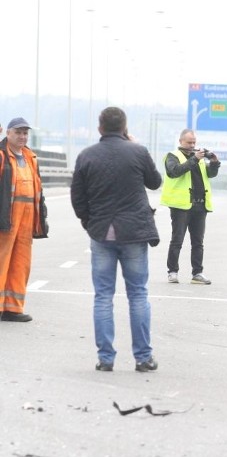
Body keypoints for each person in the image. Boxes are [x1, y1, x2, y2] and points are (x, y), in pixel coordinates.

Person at [71, 107, 162, 372]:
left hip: (101, 233)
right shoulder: (138, 151)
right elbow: (155, 182)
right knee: (138, 294)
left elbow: (77, 196)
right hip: (133, 233)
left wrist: (90, 222)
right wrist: (134, 145)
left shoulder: (86, 155)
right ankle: (143, 358)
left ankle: (106, 359)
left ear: (100, 128)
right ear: (124, 127)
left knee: (103, 296)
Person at [1, 118, 49, 323]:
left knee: (21, 263)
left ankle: (13, 308)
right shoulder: (3, 155)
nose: (22, 137)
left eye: (25, 133)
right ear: (8, 133)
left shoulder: (30, 157)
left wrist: (42, 217)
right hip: (7, 217)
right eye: (18, 132)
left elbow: (38, 190)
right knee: (2, 261)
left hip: (27, 217)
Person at [160, 128, 220, 284]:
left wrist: (214, 164)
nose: (192, 145)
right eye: (189, 142)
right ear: (181, 141)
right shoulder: (172, 156)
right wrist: (194, 159)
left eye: (194, 142)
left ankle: (197, 273)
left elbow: (210, 175)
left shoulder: (198, 158)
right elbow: (174, 172)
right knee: (177, 240)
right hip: (181, 206)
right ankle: (172, 272)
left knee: (198, 242)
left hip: (200, 205)